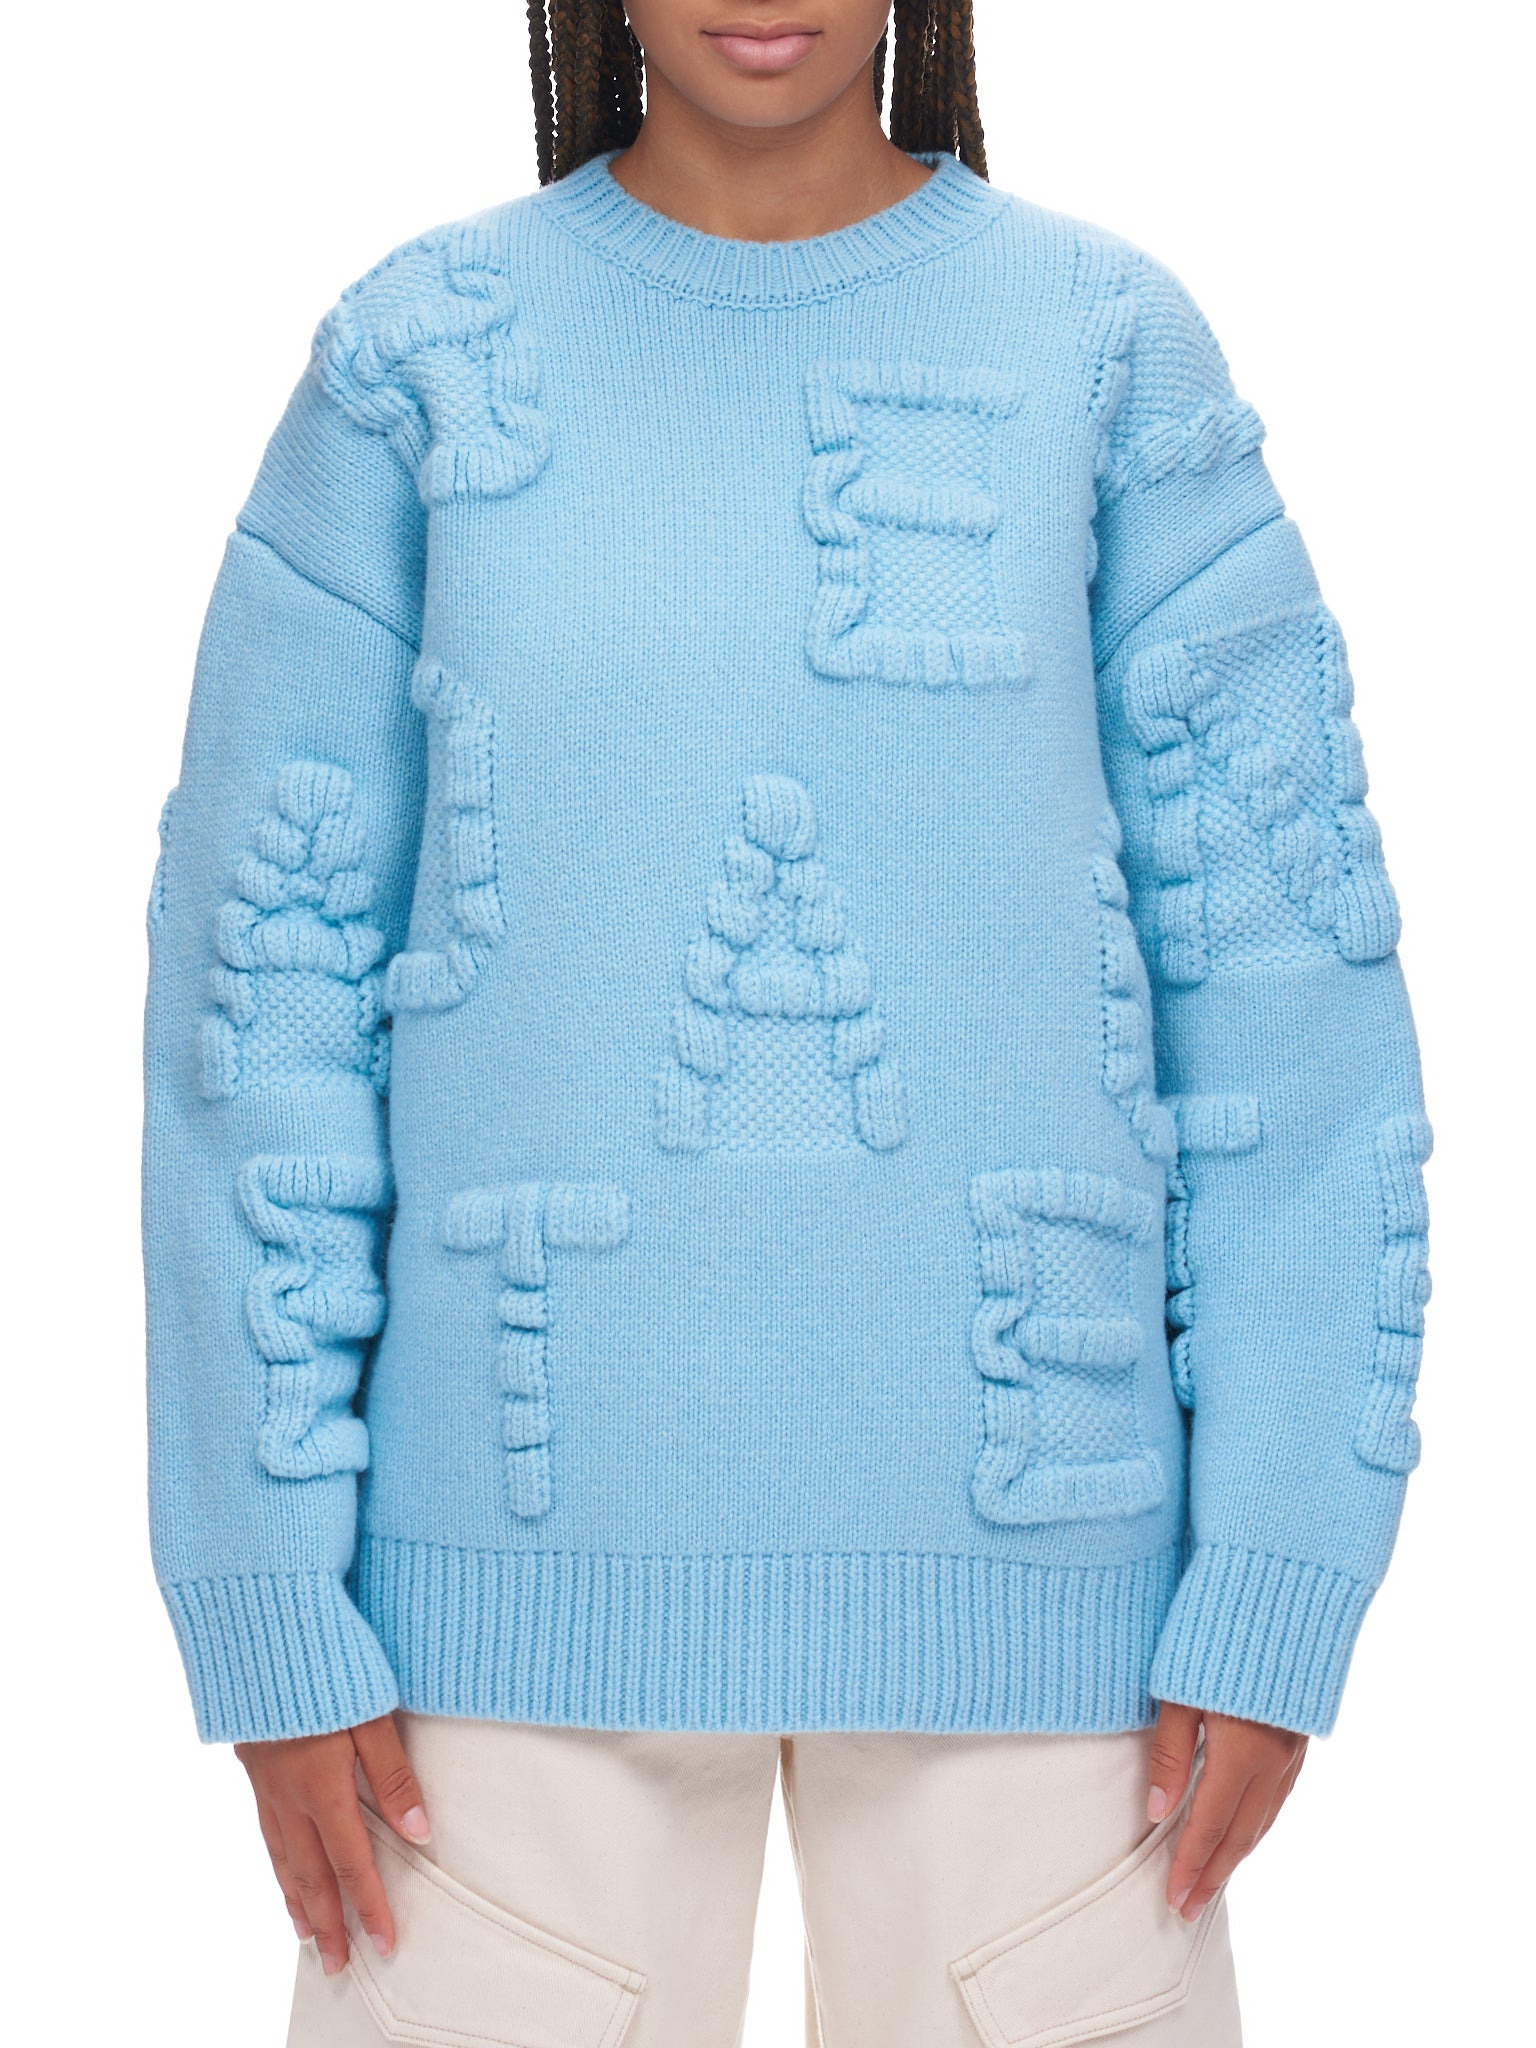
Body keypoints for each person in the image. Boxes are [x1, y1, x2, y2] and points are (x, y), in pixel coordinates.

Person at [142, 4, 1431, 2042]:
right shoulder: (418, 360)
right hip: (489, 1617)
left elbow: (1288, 995)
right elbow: (260, 996)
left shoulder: (1105, 352)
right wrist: (265, 1587)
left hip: (1054, 1621)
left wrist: (1281, 1563)